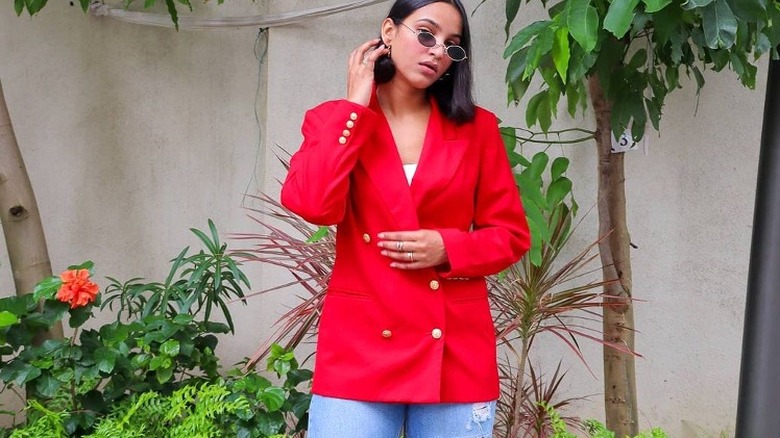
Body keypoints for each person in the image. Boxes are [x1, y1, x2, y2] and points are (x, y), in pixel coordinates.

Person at [280, 0, 530, 436]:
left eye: (452, 46)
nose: (436, 52)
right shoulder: (333, 121)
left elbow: (510, 236)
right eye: (426, 34)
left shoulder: (477, 129)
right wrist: (356, 106)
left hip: (454, 352)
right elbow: (313, 204)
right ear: (389, 32)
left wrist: (447, 246)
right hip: (360, 347)